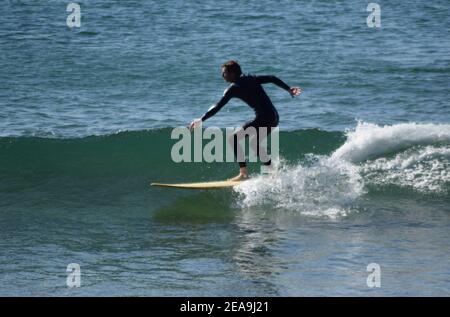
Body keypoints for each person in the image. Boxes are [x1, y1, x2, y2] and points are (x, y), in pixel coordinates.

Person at [189, 60, 302, 181]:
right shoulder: (251, 79)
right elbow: (272, 78)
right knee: (255, 144)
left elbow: (218, 106)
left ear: (232, 74)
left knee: (233, 138)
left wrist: (201, 119)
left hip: (264, 118)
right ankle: (274, 173)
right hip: (274, 117)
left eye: (224, 73)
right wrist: (288, 88)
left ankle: (243, 174)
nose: (222, 76)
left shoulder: (233, 88)